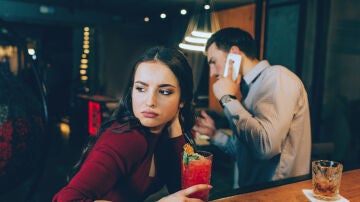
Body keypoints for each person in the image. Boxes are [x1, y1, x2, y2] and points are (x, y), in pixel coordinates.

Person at [53, 46, 212, 202]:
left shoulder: (162, 134)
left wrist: (175, 127)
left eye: (164, 92)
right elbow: (65, 199)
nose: (150, 102)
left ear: (182, 99)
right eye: (141, 89)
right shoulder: (128, 138)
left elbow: (184, 193)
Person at [192, 27, 311, 189]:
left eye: (213, 61)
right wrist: (214, 134)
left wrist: (227, 99)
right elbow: (246, 152)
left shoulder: (277, 76)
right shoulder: (246, 91)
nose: (212, 73)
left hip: (277, 195)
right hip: (251, 193)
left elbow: (265, 147)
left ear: (234, 53)